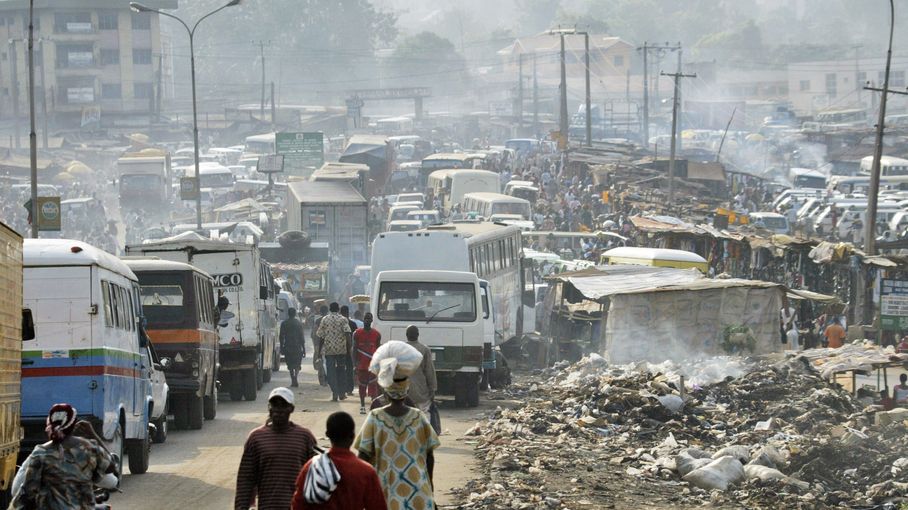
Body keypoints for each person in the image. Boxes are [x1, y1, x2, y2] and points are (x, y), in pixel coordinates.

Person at [355, 376, 439, 510]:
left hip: (385, 489)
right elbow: (430, 455)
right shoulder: (419, 417)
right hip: (418, 489)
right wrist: (430, 485)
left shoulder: (375, 417)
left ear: (385, 391)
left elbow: (363, 456)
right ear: (407, 391)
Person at [11, 403, 115, 510]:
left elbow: (29, 491)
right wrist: (93, 434)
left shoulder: (40, 453)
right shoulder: (90, 447)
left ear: (49, 424)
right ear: (73, 425)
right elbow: (111, 467)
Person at [235, 387, 318, 510]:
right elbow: (246, 479)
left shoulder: (305, 437)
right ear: (269, 408)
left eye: (283, 405)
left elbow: (316, 477)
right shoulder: (256, 438)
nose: (278, 410)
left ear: (291, 409)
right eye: (274, 405)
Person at [291, 412, 387, 510]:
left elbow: (298, 504)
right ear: (353, 436)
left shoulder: (313, 466)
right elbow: (378, 506)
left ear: (327, 434)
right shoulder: (366, 471)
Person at [316, 302, 353, 401]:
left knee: (331, 372)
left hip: (329, 351)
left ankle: (335, 393)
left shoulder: (324, 319)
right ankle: (341, 393)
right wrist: (349, 348)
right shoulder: (343, 319)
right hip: (341, 350)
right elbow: (347, 334)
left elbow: (321, 337)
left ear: (330, 309)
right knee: (341, 371)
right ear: (338, 309)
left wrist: (319, 352)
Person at [405, 325, 437, 415]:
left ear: (406, 335)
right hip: (421, 391)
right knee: (423, 417)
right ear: (418, 335)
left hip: (404, 391)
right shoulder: (424, 349)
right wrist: (432, 388)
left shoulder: (401, 349)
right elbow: (429, 371)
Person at [354, 312, 382, 414]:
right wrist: (354, 364)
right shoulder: (357, 333)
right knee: (362, 386)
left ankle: (373, 406)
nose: (367, 320)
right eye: (365, 318)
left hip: (373, 365)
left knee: (373, 386)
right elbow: (354, 349)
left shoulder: (377, 334)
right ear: (363, 319)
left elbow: (378, 350)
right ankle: (362, 406)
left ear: (371, 320)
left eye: (369, 318)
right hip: (361, 365)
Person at [280, 307, 306, 387]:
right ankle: (295, 377)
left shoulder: (284, 323)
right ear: (295, 314)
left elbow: (281, 336)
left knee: (290, 364)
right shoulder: (298, 323)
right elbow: (302, 337)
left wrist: (281, 347)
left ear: (288, 314)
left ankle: (293, 379)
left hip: (288, 346)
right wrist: (304, 349)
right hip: (297, 347)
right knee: (297, 364)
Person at [312, 305, 329, 387]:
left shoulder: (318, 321)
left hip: (319, 345)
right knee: (328, 362)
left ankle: (322, 380)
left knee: (320, 362)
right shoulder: (330, 320)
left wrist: (315, 345)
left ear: (320, 312)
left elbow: (314, 334)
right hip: (329, 344)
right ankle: (327, 379)